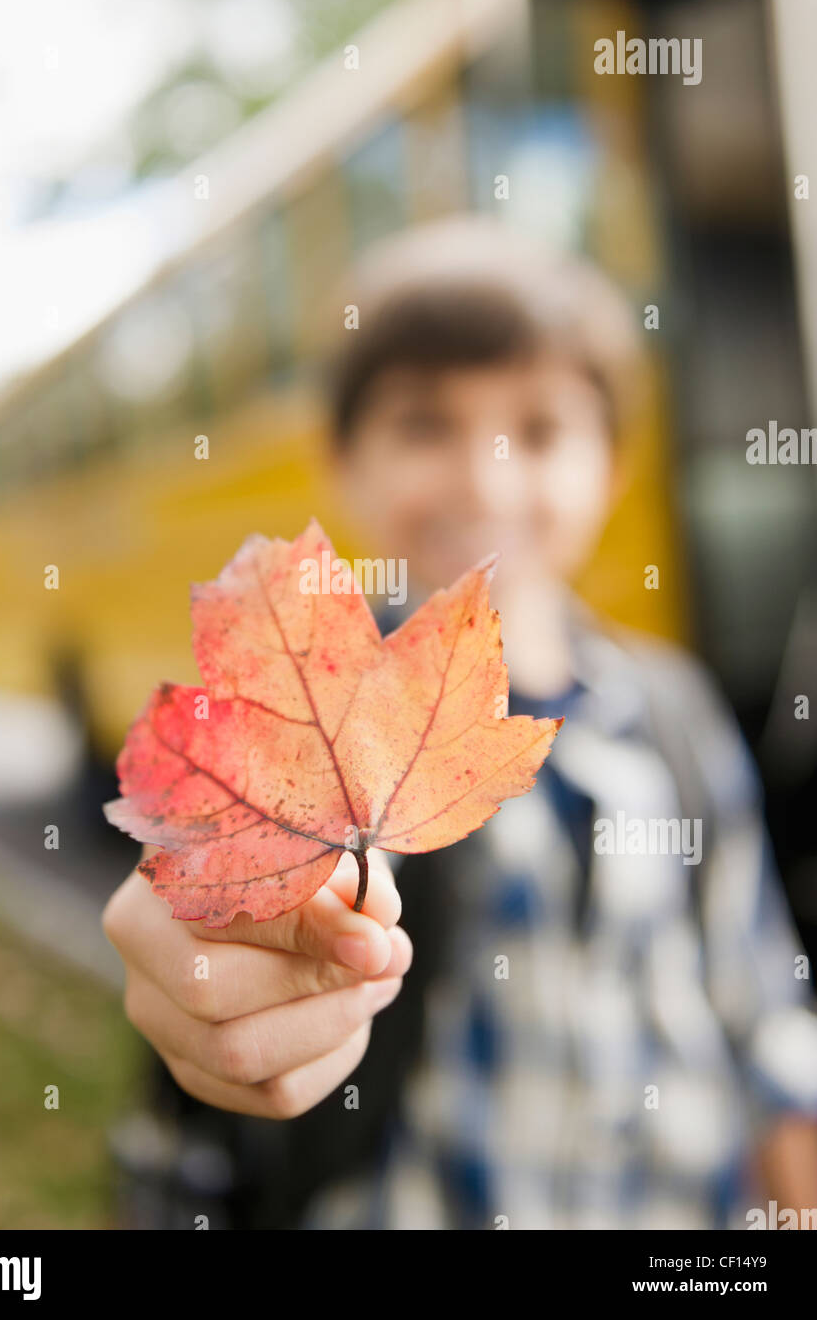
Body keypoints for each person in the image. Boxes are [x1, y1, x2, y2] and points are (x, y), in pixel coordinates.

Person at [101, 215, 817, 1229]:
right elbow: (214, 911)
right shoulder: (318, 721)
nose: (486, 482)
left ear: (612, 467)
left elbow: (765, 1019)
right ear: (343, 463)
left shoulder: (676, 715)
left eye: (538, 430)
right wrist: (208, 947)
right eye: (427, 425)